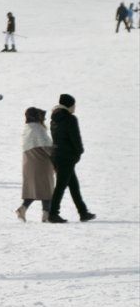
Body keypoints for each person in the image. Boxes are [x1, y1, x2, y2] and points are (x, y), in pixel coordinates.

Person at [48, 94, 95, 223]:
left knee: (73, 185)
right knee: (61, 186)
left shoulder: (54, 119)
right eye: (74, 105)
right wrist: (79, 151)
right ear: (69, 105)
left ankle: (83, 212)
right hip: (66, 157)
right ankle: (52, 213)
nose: (75, 108)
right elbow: (75, 137)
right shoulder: (70, 119)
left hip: (57, 155)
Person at [16, 107, 54, 222]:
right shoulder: (38, 129)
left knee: (34, 188)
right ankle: (46, 214)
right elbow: (47, 146)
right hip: (40, 162)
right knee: (46, 188)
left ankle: (23, 208)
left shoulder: (27, 128)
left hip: (28, 162)